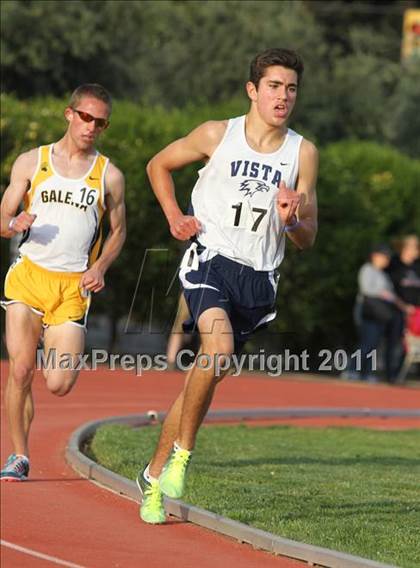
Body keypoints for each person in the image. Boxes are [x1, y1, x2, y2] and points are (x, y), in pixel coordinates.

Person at [136, 48, 318, 524]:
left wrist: (292, 218)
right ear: (253, 91)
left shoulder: (302, 152)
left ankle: (153, 479)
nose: (284, 96)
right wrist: (175, 218)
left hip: (258, 282)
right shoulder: (218, 134)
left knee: (201, 380)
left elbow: (307, 237)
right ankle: (182, 458)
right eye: (274, 86)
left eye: (292, 88)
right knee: (216, 353)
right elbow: (158, 165)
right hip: (210, 260)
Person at [0, 84, 126, 481]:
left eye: (100, 122)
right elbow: (2, 218)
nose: (91, 127)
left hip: (73, 288)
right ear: (70, 114)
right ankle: (19, 455)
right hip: (28, 278)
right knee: (20, 371)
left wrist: (101, 266)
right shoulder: (30, 162)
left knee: (57, 383)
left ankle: (46, 348)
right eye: (86, 117)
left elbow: (119, 231)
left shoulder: (109, 175)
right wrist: (13, 224)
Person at [346, 244, 410, 383]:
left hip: (381, 313)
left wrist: (399, 303)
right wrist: (385, 295)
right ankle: (351, 370)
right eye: (384, 257)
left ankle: (366, 373)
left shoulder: (383, 275)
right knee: (366, 342)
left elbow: (391, 294)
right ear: (375, 256)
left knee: (375, 344)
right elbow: (367, 289)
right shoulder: (367, 269)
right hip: (368, 311)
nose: (386, 260)